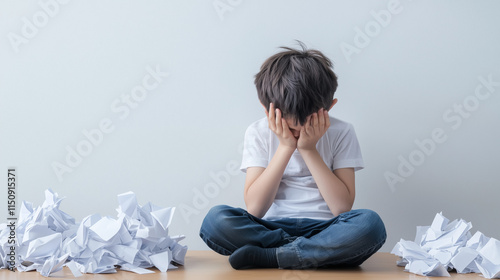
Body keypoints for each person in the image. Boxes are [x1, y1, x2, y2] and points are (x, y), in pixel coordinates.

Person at [199, 41, 386, 270]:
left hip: (326, 229)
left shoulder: (342, 132)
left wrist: (309, 149)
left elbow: (342, 208)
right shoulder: (257, 132)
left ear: (329, 108)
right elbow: (255, 208)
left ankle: (273, 257)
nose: (297, 134)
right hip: (269, 229)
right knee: (215, 220)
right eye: (291, 127)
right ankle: (303, 254)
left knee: (370, 224)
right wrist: (286, 147)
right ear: (265, 108)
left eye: (305, 126)